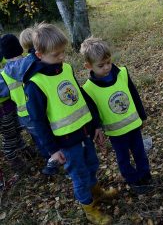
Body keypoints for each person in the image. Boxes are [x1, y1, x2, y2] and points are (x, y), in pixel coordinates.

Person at [24, 23, 115, 225]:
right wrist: (52, 151)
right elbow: (38, 122)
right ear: (39, 55)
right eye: (56, 55)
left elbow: (79, 97)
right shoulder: (35, 84)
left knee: (92, 164)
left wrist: (96, 125)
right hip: (65, 142)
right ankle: (89, 207)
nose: (62, 57)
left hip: (83, 133)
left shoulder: (65, 68)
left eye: (63, 52)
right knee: (79, 175)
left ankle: (96, 192)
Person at [80, 37, 152, 194]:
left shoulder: (123, 74)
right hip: (116, 133)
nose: (106, 67)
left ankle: (145, 174)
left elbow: (134, 95)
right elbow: (93, 112)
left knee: (140, 152)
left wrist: (142, 116)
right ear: (88, 66)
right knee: (123, 158)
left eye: (108, 62)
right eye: (101, 65)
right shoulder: (88, 88)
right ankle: (133, 180)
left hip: (133, 126)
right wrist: (96, 129)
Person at [0, 31, 59, 175]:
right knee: (48, 132)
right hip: (41, 108)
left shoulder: (4, 75)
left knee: (38, 138)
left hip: (24, 115)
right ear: (20, 48)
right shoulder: (32, 61)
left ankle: (50, 159)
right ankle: (58, 155)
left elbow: (3, 93)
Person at [0, 35, 29, 173]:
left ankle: (22, 147)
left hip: (10, 108)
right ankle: (12, 157)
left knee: (16, 129)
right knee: (9, 135)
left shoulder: (3, 72)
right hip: (3, 111)